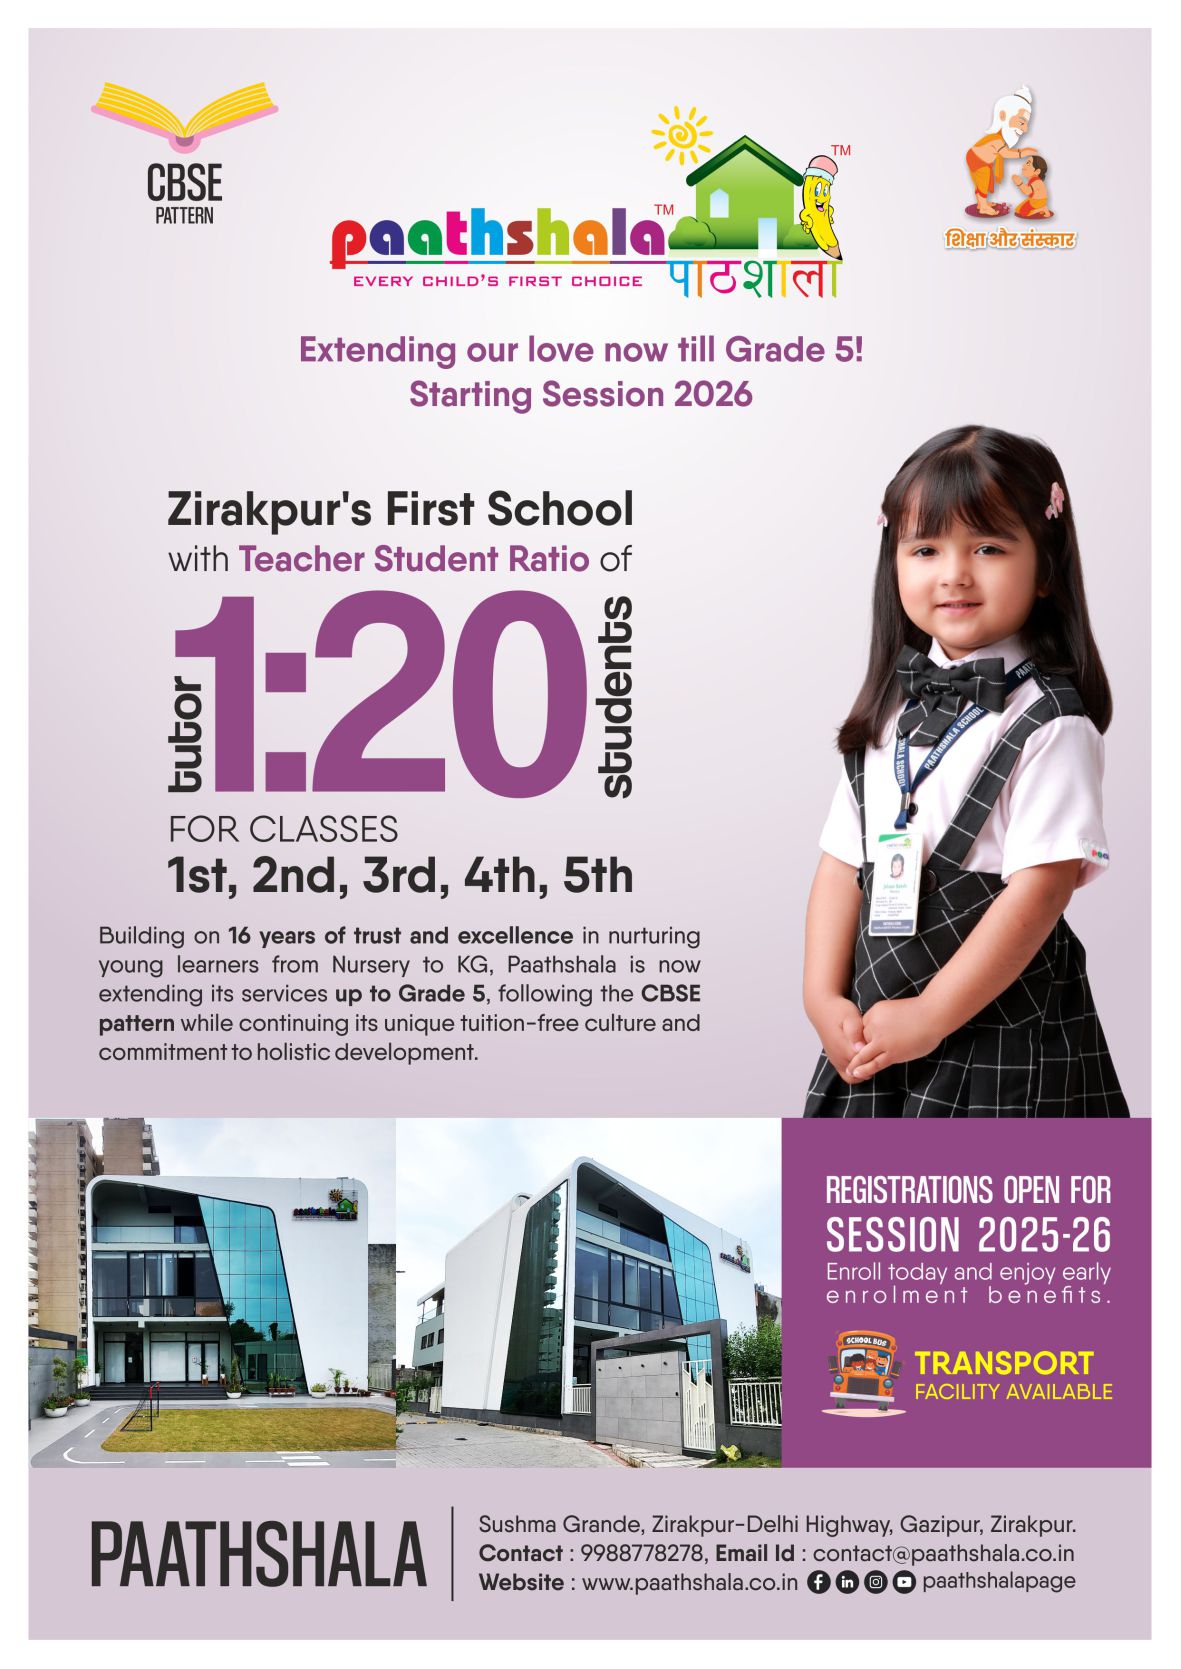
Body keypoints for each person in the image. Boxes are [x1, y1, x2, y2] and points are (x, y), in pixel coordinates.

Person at [803, 425, 1128, 1117]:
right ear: (893, 564)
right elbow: (840, 863)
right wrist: (821, 995)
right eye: (925, 549)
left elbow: (1041, 890)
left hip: (994, 1031)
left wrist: (931, 1015)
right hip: (881, 1017)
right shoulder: (888, 710)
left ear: (1044, 566)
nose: (952, 572)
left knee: (999, 1202)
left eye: (985, 547)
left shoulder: (1049, 721)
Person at [965, 86, 1038, 215]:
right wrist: (1023, 152)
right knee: (982, 185)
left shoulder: (999, 138)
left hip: (979, 159)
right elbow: (1006, 153)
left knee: (982, 184)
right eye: (1022, 123)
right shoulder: (998, 140)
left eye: (1027, 124)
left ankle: (983, 203)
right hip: (978, 161)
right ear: (1003, 115)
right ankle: (983, 207)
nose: (1025, 130)